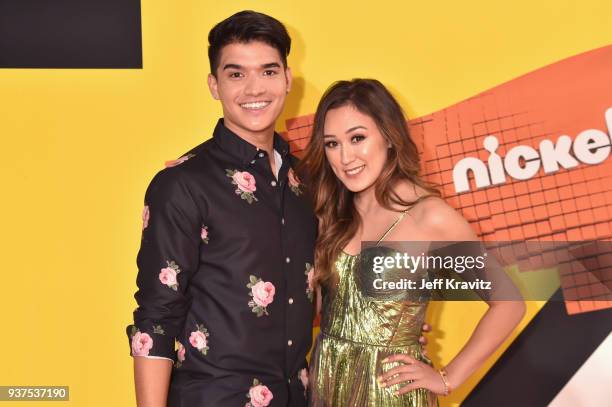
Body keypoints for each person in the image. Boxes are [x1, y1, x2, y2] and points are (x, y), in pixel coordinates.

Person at [126, 11, 317, 406]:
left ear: (287, 79)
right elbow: (156, 318)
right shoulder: (182, 185)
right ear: (214, 85)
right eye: (236, 74)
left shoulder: (308, 183)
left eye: (267, 72)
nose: (253, 88)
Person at [301, 79, 526, 406]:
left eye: (358, 138)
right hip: (326, 382)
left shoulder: (430, 218)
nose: (345, 157)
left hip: (391, 392)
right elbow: (319, 309)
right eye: (332, 144)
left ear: (389, 137)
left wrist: (448, 378)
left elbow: (508, 303)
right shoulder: (330, 213)